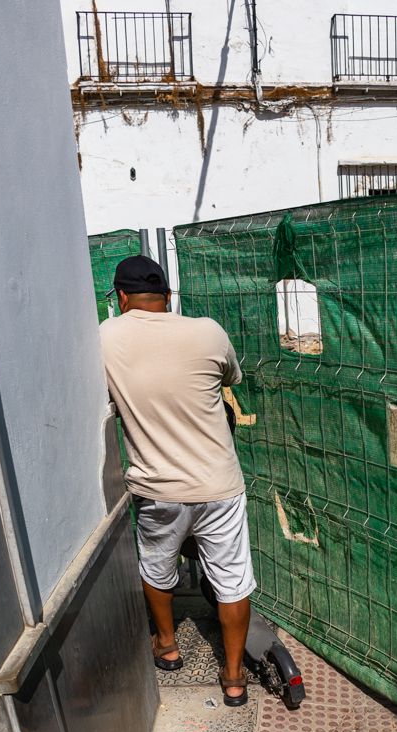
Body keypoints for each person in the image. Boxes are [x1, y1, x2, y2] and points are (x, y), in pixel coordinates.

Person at [99, 254, 254, 706]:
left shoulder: (105, 337)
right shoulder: (207, 330)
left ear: (121, 297)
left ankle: (167, 646)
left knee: (157, 567)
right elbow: (230, 378)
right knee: (232, 578)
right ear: (167, 297)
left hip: (157, 488)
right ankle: (234, 677)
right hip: (219, 484)